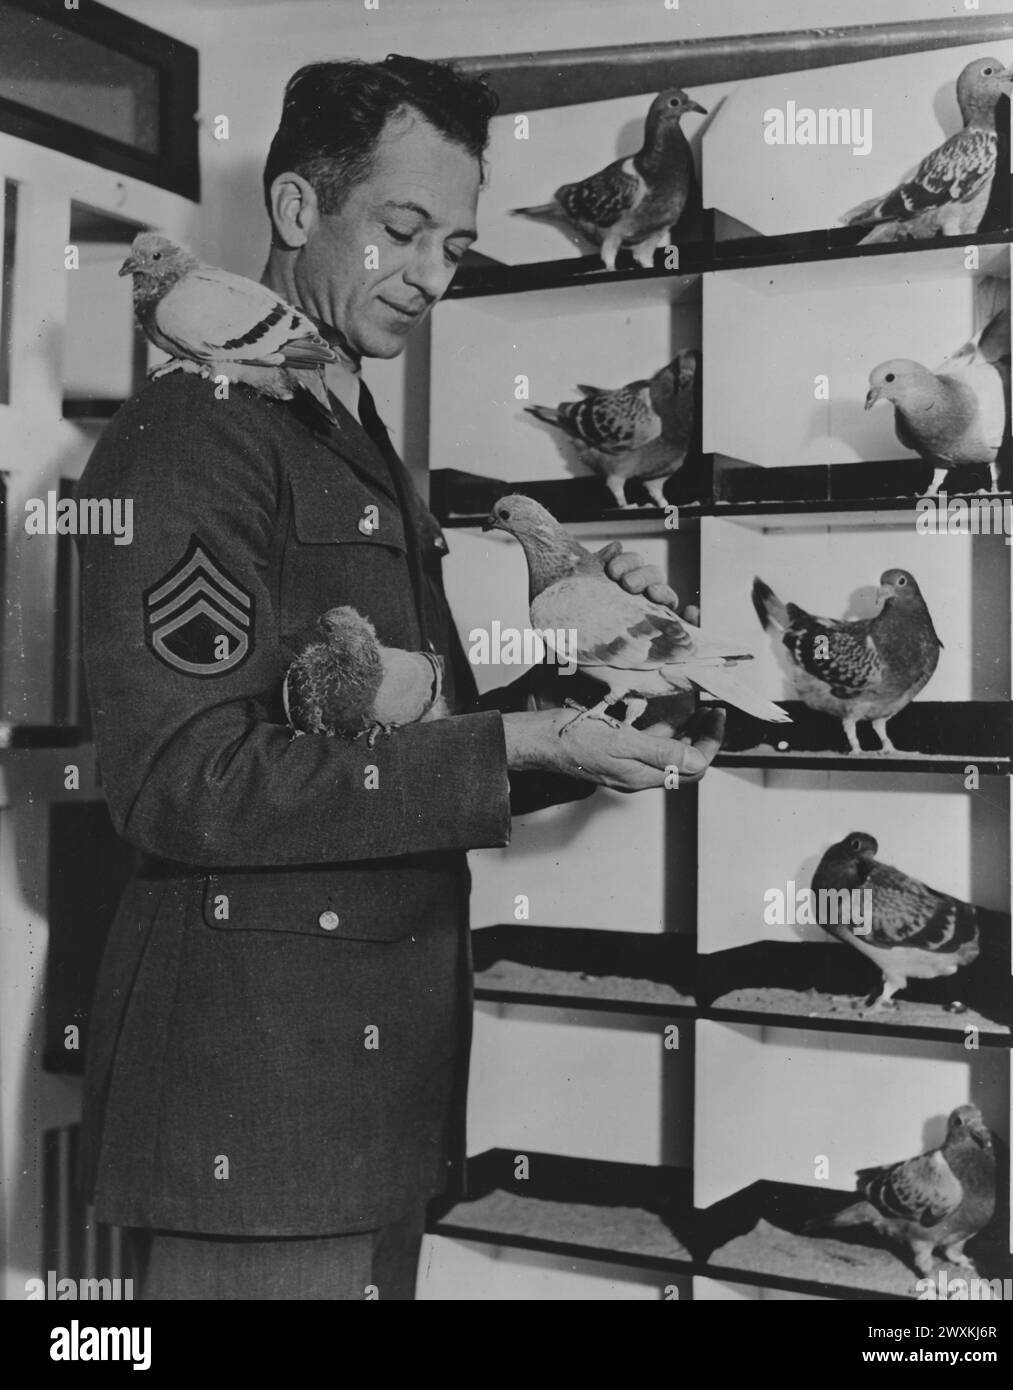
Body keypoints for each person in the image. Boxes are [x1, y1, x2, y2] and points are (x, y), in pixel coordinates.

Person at [75, 54, 722, 1301]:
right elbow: (183, 782)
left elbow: (436, 743)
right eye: (406, 231)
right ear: (297, 210)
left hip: (372, 1101)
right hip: (253, 1117)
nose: (434, 276)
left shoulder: (344, 427)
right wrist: (512, 750)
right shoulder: (194, 431)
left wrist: (634, 680)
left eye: (457, 244)